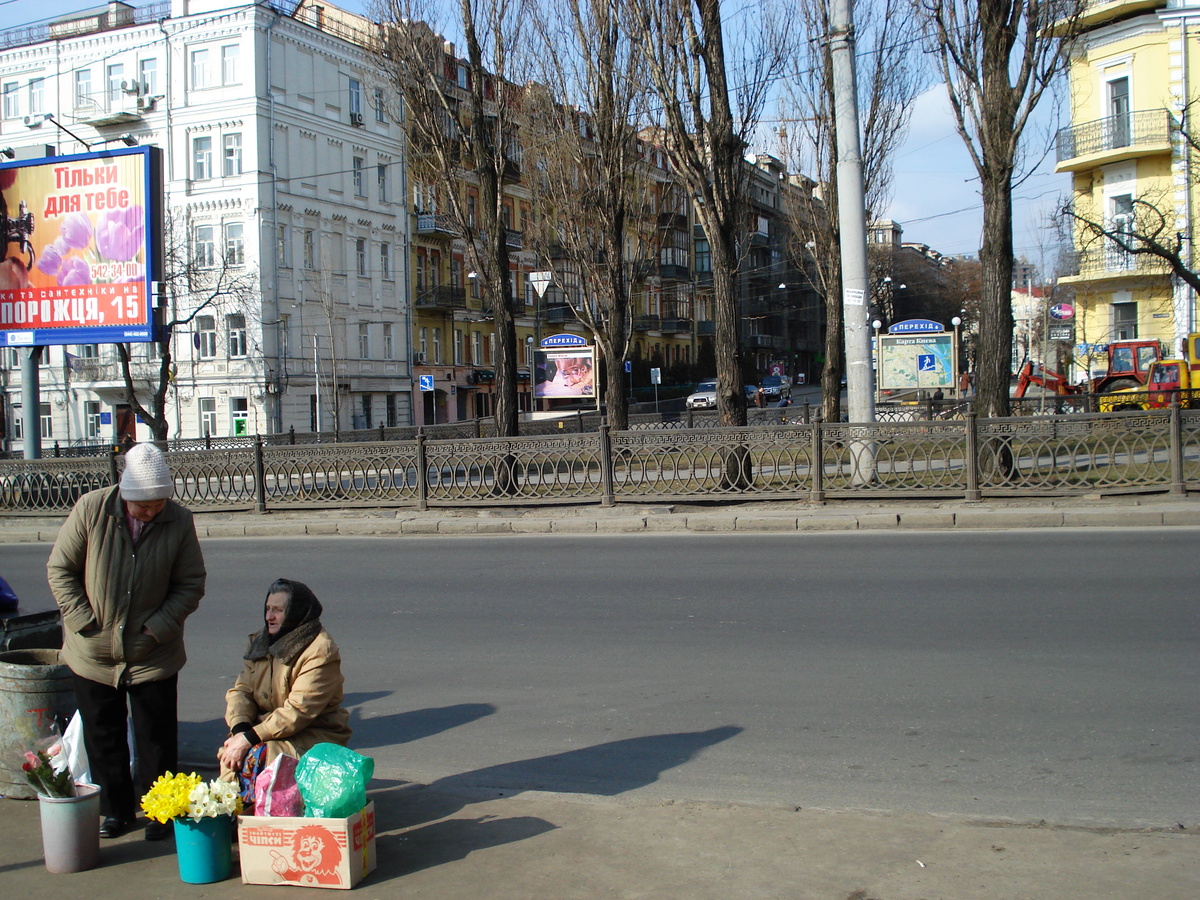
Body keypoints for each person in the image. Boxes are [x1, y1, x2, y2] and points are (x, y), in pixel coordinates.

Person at [47, 443, 205, 841]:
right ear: (125, 494)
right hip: (92, 650)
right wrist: (83, 619)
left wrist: (158, 627)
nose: (151, 511)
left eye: (157, 504)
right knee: (103, 735)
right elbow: (60, 568)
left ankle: (161, 813)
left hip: (153, 650)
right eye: (143, 505)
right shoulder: (91, 509)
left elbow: (190, 584)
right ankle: (116, 811)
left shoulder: (179, 521)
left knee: (156, 737)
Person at [217, 578, 351, 811]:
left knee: (261, 756)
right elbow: (242, 691)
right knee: (232, 752)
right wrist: (240, 730)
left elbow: (299, 711)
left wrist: (250, 737)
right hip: (268, 728)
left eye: (278, 610)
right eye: (268, 609)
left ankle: (261, 817)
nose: (270, 616)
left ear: (295, 613)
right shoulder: (261, 641)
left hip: (314, 731)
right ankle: (231, 812)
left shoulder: (320, 650)